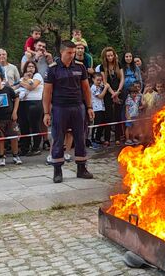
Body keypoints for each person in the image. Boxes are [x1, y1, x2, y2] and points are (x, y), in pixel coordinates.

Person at [43, 41, 94, 183]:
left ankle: (82, 169)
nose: (72, 55)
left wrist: (89, 107)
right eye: (69, 53)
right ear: (62, 52)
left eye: (74, 52)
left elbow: (86, 89)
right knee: (58, 138)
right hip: (59, 108)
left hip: (78, 107)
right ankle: (57, 171)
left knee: (80, 138)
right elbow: (47, 92)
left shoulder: (80, 67)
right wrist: (46, 112)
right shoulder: (52, 69)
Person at [96, 47, 124, 146]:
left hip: (118, 91)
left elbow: (122, 79)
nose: (110, 57)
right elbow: (105, 82)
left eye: (111, 55)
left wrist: (118, 92)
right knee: (108, 116)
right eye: (108, 56)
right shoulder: (102, 67)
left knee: (118, 115)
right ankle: (107, 138)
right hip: (108, 93)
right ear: (105, 56)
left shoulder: (118, 64)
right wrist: (113, 94)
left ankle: (117, 137)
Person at [17, 61, 44, 156]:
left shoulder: (37, 76)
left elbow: (32, 87)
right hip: (23, 103)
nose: (30, 68)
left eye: (32, 66)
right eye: (28, 67)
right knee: (24, 126)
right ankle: (25, 147)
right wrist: (23, 82)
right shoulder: (22, 78)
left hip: (35, 103)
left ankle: (36, 147)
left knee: (35, 125)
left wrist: (22, 83)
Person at [0, 72, 22, 166]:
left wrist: (15, 112)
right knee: (0, 138)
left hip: (10, 118)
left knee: (14, 137)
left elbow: (16, 98)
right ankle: (2, 157)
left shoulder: (8, 89)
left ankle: (15, 155)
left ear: (2, 80)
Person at [90, 72, 109, 148]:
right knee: (96, 124)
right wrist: (106, 88)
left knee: (102, 123)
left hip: (101, 108)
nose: (99, 82)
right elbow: (100, 96)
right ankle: (93, 140)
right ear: (93, 79)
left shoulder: (99, 86)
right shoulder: (93, 87)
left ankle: (98, 138)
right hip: (96, 109)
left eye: (100, 80)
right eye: (97, 80)